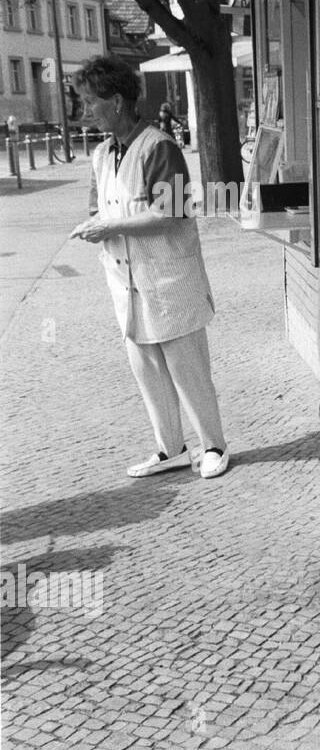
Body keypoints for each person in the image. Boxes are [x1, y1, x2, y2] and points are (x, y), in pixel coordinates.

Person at [68, 56, 229, 480]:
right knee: (148, 371)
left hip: (169, 279)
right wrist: (96, 225)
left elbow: (173, 212)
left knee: (188, 369)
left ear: (117, 101)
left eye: (89, 102)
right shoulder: (102, 154)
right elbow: (98, 207)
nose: (84, 111)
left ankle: (213, 445)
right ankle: (170, 448)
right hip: (126, 281)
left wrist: (111, 225)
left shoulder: (159, 146)